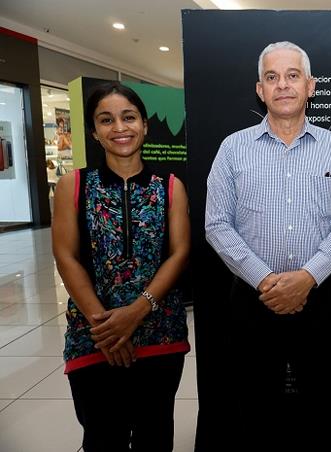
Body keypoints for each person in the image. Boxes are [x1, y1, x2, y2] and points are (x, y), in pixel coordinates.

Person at [205, 41, 331, 450]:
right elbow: (216, 224)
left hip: (320, 299)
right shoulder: (232, 148)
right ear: (260, 90)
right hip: (253, 300)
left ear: (310, 86)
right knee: (257, 410)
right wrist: (267, 281)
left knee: (320, 409)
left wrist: (307, 277)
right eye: (272, 77)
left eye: (293, 76)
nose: (283, 85)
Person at [52, 82, 191, 452]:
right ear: (94, 132)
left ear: (145, 125)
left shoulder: (170, 187)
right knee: (102, 436)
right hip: (93, 336)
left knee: (155, 437)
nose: (119, 128)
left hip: (160, 334)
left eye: (128, 117)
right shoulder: (73, 185)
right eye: (106, 120)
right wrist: (107, 329)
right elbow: (66, 257)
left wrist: (136, 312)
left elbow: (179, 254)